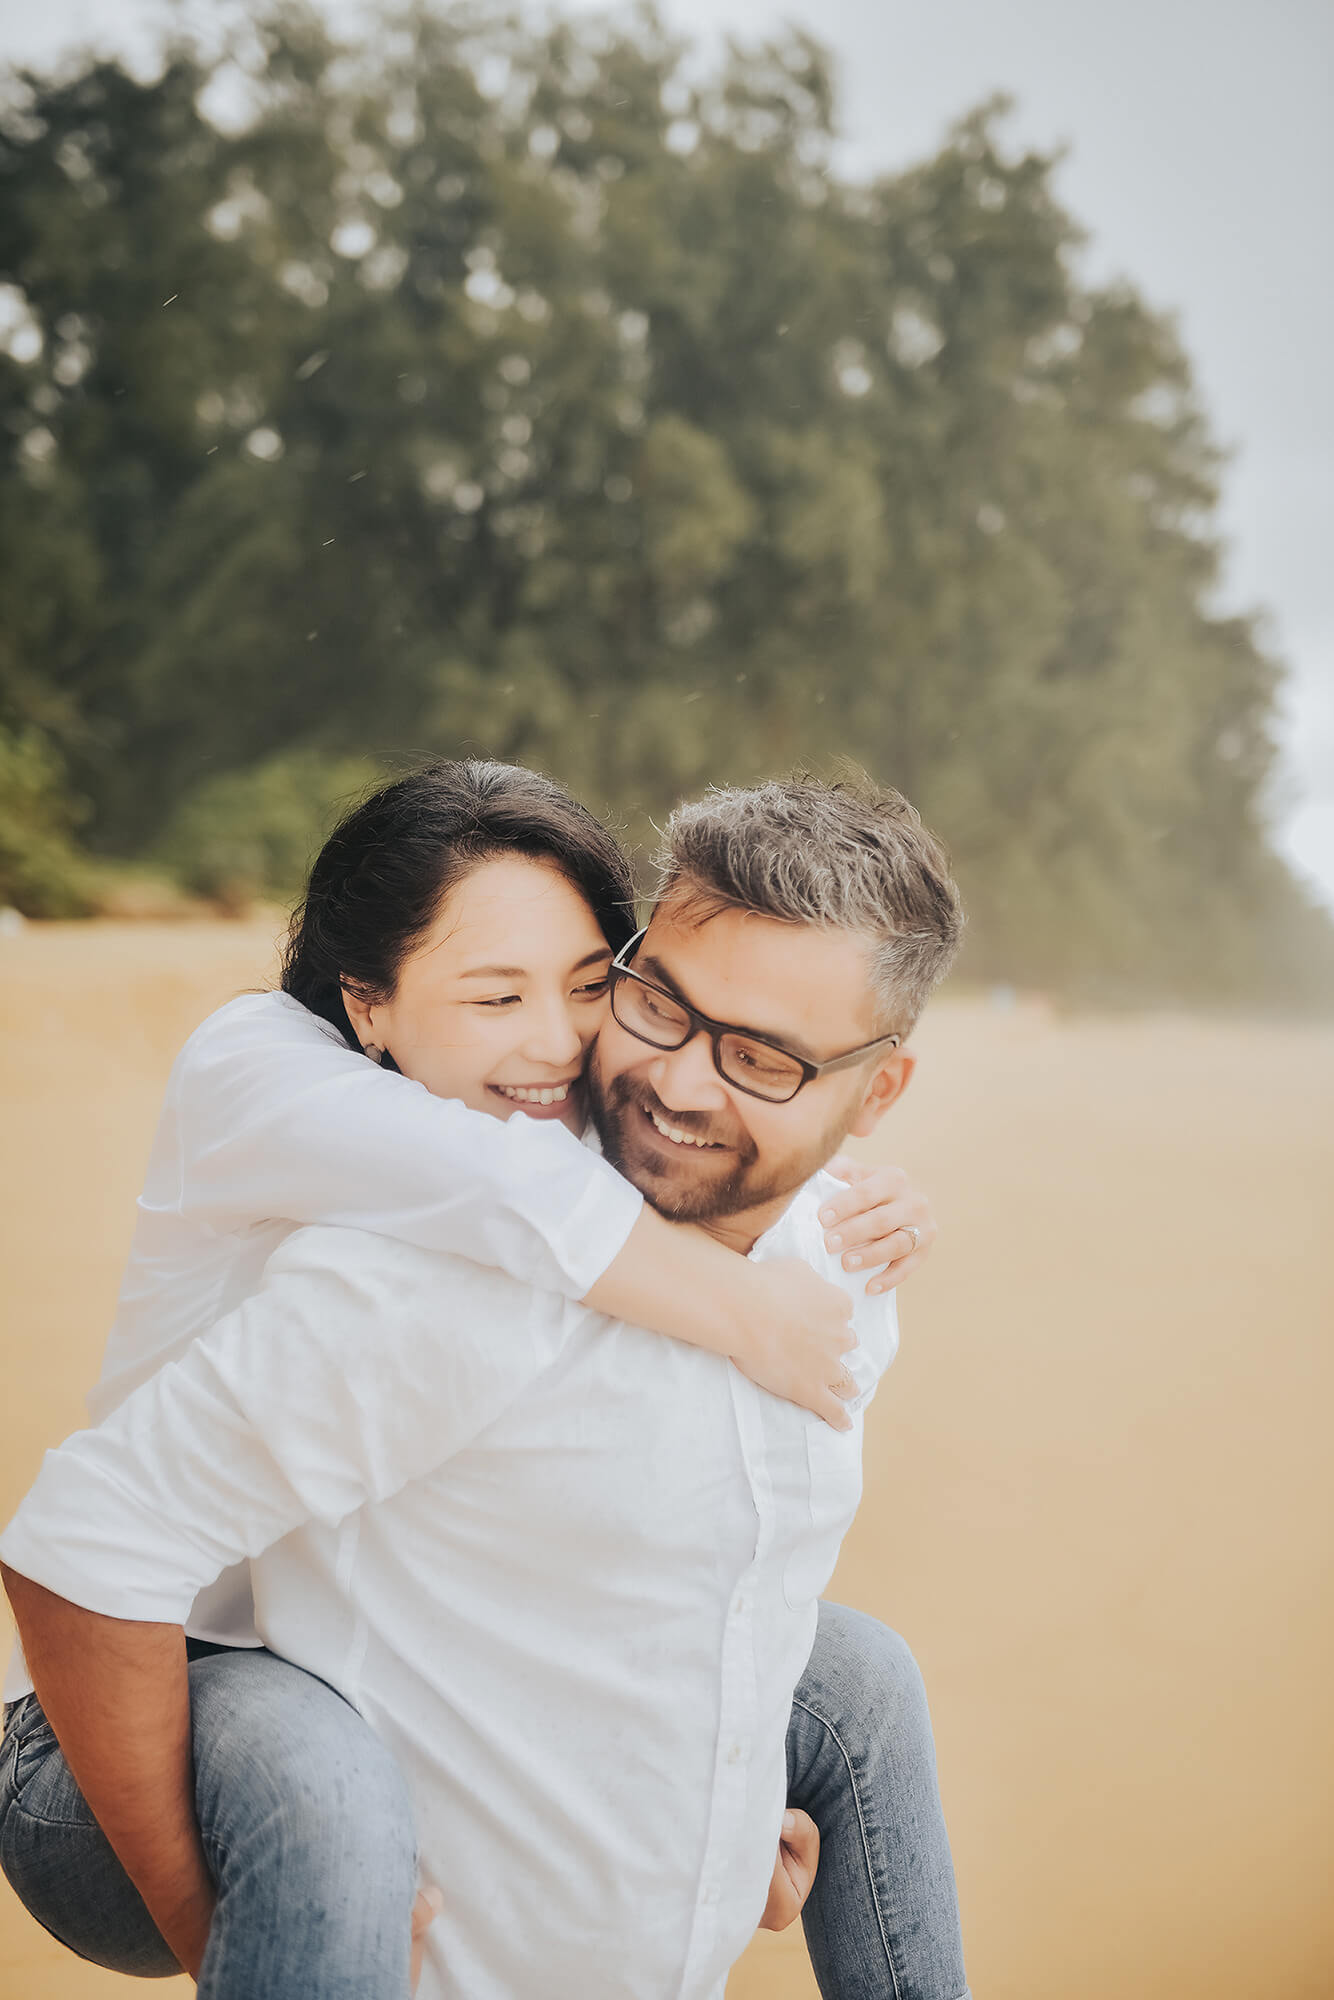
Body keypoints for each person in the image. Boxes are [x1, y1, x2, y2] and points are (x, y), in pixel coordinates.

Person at [2, 766, 969, 1999]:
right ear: (369, 1005)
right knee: (321, 1787)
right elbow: (85, 1549)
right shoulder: (388, 1193)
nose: (655, 1076)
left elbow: (615, 1614)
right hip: (134, 1706)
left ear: (876, 1091)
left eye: (763, 1060)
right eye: (658, 1006)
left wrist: (708, 1842)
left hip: (291, 1639)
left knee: (855, 1680)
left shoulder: (823, 1261)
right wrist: (218, 1926)